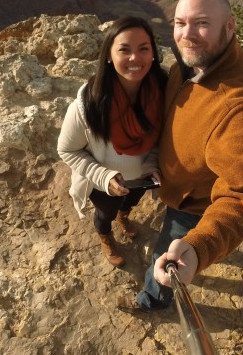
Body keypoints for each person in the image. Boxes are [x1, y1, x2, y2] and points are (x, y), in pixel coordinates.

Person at [122, 0, 243, 311]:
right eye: (180, 23)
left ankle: (151, 301)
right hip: (173, 183)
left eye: (201, 23)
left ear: (229, 27)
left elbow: (239, 198)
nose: (187, 35)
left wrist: (198, 247)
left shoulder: (240, 105)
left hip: (193, 206)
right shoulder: (186, 65)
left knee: (168, 257)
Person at [57, 16, 169, 268]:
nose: (135, 58)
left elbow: (159, 139)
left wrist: (152, 165)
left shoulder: (161, 95)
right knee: (104, 214)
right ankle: (105, 235)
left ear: (153, 53)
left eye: (143, 48)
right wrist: (103, 176)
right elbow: (67, 149)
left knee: (129, 203)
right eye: (124, 50)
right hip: (102, 185)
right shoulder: (88, 105)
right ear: (108, 56)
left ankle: (124, 216)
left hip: (141, 179)